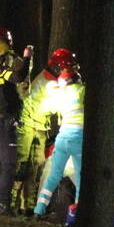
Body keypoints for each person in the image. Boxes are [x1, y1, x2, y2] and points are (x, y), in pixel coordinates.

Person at [12, 48, 77, 215]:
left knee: (35, 168)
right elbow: (59, 104)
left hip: (40, 127)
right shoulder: (49, 83)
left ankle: (28, 206)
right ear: (58, 67)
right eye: (66, 69)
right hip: (28, 125)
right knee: (22, 166)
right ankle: (11, 204)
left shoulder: (50, 80)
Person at [0, 40, 33, 215]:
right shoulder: (3, 73)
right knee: (8, 166)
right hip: (5, 125)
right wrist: (27, 59)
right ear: (3, 57)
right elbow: (19, 77)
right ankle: (5, 205)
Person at [33, 62, 86, 219]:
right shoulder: (82, 90)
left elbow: (47, 108)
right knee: (81, 175)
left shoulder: (60, 94)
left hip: (62, 138)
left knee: (53, 176)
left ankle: (39, 209)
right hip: (78, 137)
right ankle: (77, 213)